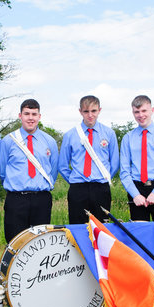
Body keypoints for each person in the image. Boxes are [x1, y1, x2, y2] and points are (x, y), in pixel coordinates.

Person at [0, 99, 59, 242]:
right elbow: (2, 171)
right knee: (15, 242)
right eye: (27, 114)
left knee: (40, 243)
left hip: (41, 199)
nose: (30, 118)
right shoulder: (8, 141)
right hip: (16, 199)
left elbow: (54, 170)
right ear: (20, 116)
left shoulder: (49, 141)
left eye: (34, 114)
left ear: (39, 116)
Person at [58, 95, 119, 223]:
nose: (90, 115)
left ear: (99, 110)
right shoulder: (70, 135)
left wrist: (104, 177)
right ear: (80, 111)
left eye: (94, 111)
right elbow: (62, 165)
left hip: (101, 187)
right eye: (86, 111)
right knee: (77, 227)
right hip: (78, 188)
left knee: (102, 228)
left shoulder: (109, 133)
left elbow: (114, 162)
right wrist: (75, 180)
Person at [119, 95, 154, 222]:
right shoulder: (128, 138)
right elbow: (124, 170)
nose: (141, 115)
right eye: (136, 112)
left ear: (152, 110)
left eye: (144, 111)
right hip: (136, 189)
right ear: (133, 112)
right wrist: (135, 194)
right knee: (139, 236)